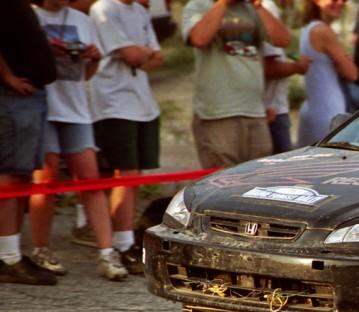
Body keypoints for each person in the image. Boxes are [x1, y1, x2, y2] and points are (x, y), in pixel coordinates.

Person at [33, 0, 131, 281]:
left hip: (77, 110)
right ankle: (40, 249)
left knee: (90, 178)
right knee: (46, 180)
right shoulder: (32, 17)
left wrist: (95, 58)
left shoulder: (81, 19)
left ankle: (106, 252)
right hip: (45, 107)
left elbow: (85, 75)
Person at [89, 0, 164, 275]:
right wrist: (142, 52)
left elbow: (158, 58)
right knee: (124, 174)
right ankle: (121, 245)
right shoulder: (104, 8)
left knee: (135, 175)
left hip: (142, 103)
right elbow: (135, 56)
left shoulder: (141, 11)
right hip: (113, 103)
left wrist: (140, 52)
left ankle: (125, 241)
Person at [182, 0, 290, 168]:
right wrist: (223, 3)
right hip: (218, 114)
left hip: (254, 111)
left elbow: (282, 39)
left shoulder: (252, 9)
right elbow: (199, 38)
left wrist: (259, 7)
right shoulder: (198, 6)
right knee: (222, 182)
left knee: (257, 179)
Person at [0, 0, 58, 285]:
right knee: (9, 176)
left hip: (31, 95)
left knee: (20, 176)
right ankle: (7, 258)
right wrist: (8, 76)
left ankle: (12, 253)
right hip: (13, 97)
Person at [296, 0, 358, 146]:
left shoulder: (307, 29)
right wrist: (345, 60)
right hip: (328, 111)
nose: (340, 3)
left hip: (313, 108)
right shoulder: (323, 31)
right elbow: (352, 73)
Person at [261, 0, 310, 154]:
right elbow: (268, 67)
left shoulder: (276, 9)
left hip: (273, 107)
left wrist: (295, 59)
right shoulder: (268, 7)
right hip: (271, 110)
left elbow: (280, 52)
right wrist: (297, 67)